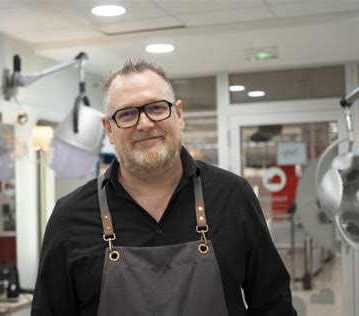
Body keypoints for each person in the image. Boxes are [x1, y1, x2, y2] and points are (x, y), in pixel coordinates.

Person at [31, 59, 297, 316]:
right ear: (108, 129)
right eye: (127, 114)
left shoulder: (233, 195)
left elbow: (274, 306)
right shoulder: (70, 216)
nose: (145, 123)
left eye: (157, 108)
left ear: (178, 114)